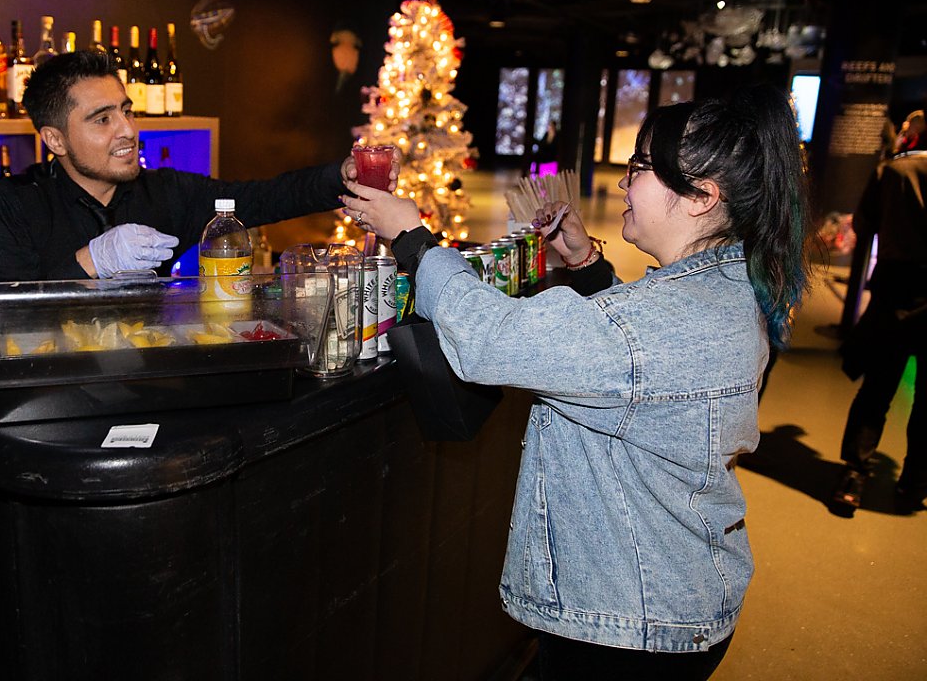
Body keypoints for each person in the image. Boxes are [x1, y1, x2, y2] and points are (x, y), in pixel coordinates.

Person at [341, 84, 810, 680]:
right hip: (671, 596)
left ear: (700, 198)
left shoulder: (667, 322)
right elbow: (640, 367)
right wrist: (588, 266)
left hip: (630, 624)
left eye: (640, 168)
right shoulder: (723, 290)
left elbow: (494, 339)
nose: (624, 183)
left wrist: (412, 240)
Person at [0, 50, 397, 281]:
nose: (127, 130)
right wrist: (90, 261)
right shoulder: (11, 205)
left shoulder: (166, 193)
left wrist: (338, 177)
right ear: (54, 139)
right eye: (103, 120)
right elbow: (11, 318)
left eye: (126, 111)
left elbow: (263, 197)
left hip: (146, 382)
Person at [833, 139, 927, 514]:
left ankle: (855, 473)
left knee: (876, 390)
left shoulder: (895, 170)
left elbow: (864, 222)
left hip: (896, 289)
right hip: (901, 290)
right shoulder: (895, 170)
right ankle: (915, 482)